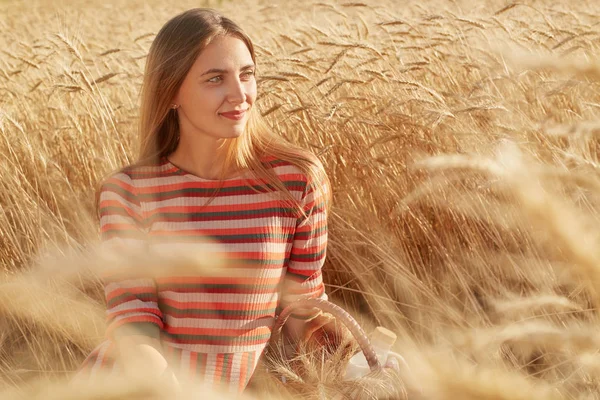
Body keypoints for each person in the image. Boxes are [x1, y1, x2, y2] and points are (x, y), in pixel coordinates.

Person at [74, 8, 340, 394]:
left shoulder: (295, 181)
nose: (240, 94)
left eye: (246, 74)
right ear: (171, 93)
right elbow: (134, 323)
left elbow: (301, 310)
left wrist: (340, 354)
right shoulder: (129, 191)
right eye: (215, 79)